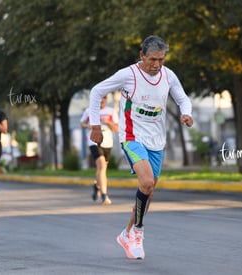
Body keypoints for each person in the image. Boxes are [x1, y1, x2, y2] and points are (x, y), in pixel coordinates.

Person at [89, 35, 193, 260]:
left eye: (161, 60)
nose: (156, 65)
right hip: (132, 136)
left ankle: (126, 234)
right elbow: (96, 91)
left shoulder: (168, 75)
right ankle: (137, 232)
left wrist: (187, 113)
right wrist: (95, 126)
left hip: (157, 140)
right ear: (141, 55)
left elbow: (183, 98)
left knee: (149, 190)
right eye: (152, 59)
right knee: (145, 182)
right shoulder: (128, 75)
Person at [80, 95, 118, 205]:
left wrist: (108, 122)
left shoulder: (111, 111)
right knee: (101, 165)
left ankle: (97, 185)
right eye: (100, 98)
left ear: (106, 100)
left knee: (102, 169)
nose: (102, 100)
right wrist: (89, 127)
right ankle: (104, 195)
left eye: (104, 98)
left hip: (107, 143)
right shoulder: (90, 111)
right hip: (94, 141)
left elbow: (117, 129)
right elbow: (81, 123)